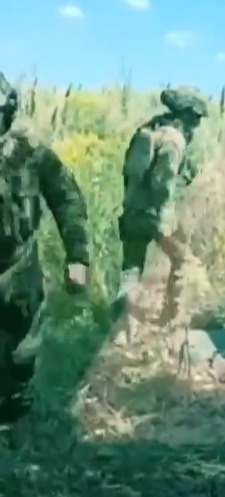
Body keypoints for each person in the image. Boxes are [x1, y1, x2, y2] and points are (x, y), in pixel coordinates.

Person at [0, 73, 91, 424]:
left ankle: (14, 418)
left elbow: (67, 198)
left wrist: (78, 256)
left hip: (19, 268)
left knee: (22, 354)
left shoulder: (29, 151)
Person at [113, 86, 209, 343]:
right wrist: (166, 221)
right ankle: (173, 322)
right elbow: (163, 184)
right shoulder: (174, 140)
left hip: (132, 211)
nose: (197, 125)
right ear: (188, 115)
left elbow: (131, 173)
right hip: (155, 215)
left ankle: (124, 331)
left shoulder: (148, 130)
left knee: (131, 269)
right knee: (183, 261)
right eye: (196, 119)